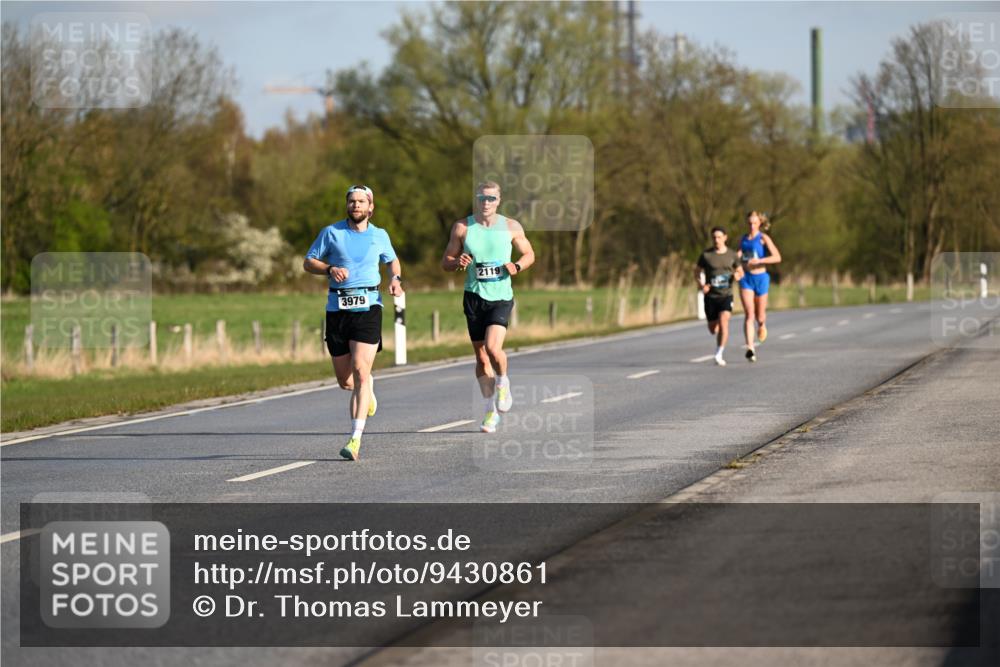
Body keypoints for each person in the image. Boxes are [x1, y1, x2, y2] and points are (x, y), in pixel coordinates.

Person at [303, 185, 403, 461]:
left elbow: (393, 262)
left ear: (371, 207)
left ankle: (355, 440)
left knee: (359, 369)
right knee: (346, 381)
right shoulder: (331, 233)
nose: (356, 205)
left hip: (369, 306)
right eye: (351, 201)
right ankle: (367, 386)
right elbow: (308, 262)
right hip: (337, 309)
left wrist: (395, 280)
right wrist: (329, 268)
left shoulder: (380, 235)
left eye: (361, 201)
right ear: (347, 205)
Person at [441, 181, 535, 433]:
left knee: (494, 349)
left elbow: (529, 254)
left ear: (499, 200)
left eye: (491, 199)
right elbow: (445, 262)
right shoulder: (462, 227)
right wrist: (456, 261)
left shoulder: (511, 226)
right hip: (474, 297)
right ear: (476, 199)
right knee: (481, 358)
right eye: (482, 198)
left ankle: (503, 382)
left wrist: (517, 266)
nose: (486, 203)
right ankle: (490, 411)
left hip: (501, 296)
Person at [737, 210, 782, 362]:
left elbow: (777, 257)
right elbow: (738, 256)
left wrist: (761, 261)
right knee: (749, 314)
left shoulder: (763, 238)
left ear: (759, 223)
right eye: (749, 223)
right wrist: (735, 268)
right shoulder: (743, 239)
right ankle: (750, 348)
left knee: (759, 316)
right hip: (746, 278)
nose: (751, 226)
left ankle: (762, 324)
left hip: (761, 278)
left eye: (755, 223)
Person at [696, 227, 744, 366]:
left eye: (719, 237)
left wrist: (737, 275)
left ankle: (719, 352)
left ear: (725, 237)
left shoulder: (732, 255)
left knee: (724, 322)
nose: (716, 240)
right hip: (711, 297)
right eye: (714, 237)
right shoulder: (706, 255)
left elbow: (741, 271)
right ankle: (715, 329)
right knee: (713, 329)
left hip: (726, 295)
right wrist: (701, 285)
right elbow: (696, 272)